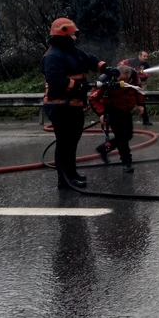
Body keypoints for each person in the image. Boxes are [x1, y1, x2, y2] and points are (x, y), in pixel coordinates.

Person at [41, 17, 119, 189]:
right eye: (74, 34)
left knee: (72, 142)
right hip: (60, 106)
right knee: (64, 143)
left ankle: (72, 173)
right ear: (64, 34)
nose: (76, 37)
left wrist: (105, 67)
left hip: (73, 105)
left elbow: (90, 59)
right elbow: (56, 79)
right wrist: (78, 86)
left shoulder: (71, 51)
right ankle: (64, 179)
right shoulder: (53, 55)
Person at [88, 65, 145, 173]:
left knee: (128, 135)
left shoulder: (134, 78)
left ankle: (103, 148)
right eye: (122, 80)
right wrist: (101, 113)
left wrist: (141, 104)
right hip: (113, 111)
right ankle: (127, 162)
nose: (125, 82)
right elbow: (93, 98)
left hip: (126, 111)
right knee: (122, 138)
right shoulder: (107, 81)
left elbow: (138, 90)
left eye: (127, 80)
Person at [119, 50, 152, 125]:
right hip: (124, 84)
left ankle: (146, 120)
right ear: (139, 56)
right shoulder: (130, 61)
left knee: (141, 101)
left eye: (147, 56)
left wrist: (137, 76)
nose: (146, 58)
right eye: (144, 56)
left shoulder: (146, 66)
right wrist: (125, 71)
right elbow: (120, 65)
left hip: (135, 85)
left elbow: (146, 76)